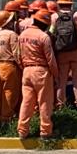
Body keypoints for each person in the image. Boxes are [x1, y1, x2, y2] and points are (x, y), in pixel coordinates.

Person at [18, 9, 57, 140]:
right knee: (45, 102)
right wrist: (55, 74)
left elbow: (18, 55)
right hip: (41, 71)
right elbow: (50, 58)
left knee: (27, 102)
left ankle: (22, 131)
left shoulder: (22, 34)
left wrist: (24, 67)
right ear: (45, 23)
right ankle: (45, 132)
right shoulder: (43, 36)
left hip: (26, 71)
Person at [52, 0, 77, 109]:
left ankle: (60, 104)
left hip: (61, 52)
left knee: (62, 80)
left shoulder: (54, 17)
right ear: (71, 4)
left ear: (59, 4)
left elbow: (52, 34)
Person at [0, 11, 22, 121]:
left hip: (0, 65)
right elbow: (16, 53)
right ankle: (6, 117)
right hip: (10, 65)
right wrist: (22, 66)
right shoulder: (12, 35)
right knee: (10, 92)